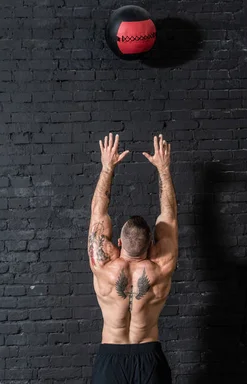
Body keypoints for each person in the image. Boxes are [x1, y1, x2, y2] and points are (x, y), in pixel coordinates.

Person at [88, 133, 177, 384]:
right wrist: (164, 169)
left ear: (117, 243)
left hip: (110, 360)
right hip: (149, 357)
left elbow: (98, 211)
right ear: (151, 245)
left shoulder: (103, 265)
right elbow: (168, 216)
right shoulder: (161, 267)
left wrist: (107, 167)